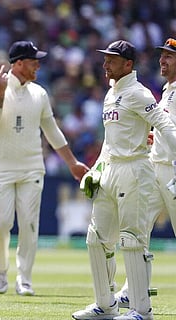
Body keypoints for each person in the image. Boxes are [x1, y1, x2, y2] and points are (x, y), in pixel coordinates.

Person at [72, 40, 176, 320]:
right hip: (111, 170)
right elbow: (110, 141)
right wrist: (96, 169)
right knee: (96, 238)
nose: (105, 65)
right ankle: (105, 305)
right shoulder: (111, 93)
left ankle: (141, 310)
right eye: (105, 59)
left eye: (112, 60)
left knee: (132, 239)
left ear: (128, 64)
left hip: (136, 171)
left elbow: (164, 125)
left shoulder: (139, 94)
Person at [0, 41, 89, 297]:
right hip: (0, 169)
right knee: (0, 226)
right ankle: (0, 271)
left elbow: (52, 131)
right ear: (18, 63)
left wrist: (72, 162)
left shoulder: (39, 93)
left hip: (31, 168)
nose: (38, 65)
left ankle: (25, 278)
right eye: (33, 61)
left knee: (29, 224)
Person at [114, 38, 176, 309]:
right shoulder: (167, 89)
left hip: (173, 172)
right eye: (162, 56)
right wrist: (154, 137)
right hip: (156, 170)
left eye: (169, 57)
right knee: (137, 229)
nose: (162, 61)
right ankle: (132, 290)